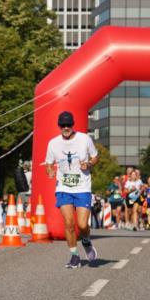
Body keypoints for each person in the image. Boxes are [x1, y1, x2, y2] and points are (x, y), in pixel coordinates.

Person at [45, 111, 100, 268]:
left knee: (82, 225)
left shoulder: (85, 139)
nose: (66, 127)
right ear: (59, 126)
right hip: (63, 187)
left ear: (73, 125)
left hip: (82, 187)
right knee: (69, 223)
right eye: (63, 125)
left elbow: (95, 156)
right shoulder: (53, 143)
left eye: (68, 125)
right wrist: (49, 171)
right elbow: (49, 163)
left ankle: (86, 241)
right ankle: (74, 256)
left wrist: (89, 164)